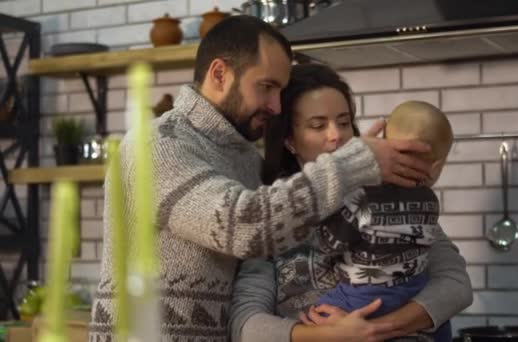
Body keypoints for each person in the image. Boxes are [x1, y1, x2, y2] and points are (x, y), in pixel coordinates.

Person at [89, 15, 436, 342]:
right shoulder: (157, 145)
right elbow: (242, 226)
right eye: (266, 87)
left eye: (280, 91)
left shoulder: (246, 160)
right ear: (220, 73)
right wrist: (358, 160)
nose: (276, 106)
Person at [229, 64, 472, 342]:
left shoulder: (384, 197)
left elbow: (456, 285)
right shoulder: (273, 213)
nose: (337, 135)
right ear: (289, 141)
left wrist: (372, 329)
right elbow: (245, 325)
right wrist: (329, 336)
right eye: (318, 125)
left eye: (344, 122)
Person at [310, 100, 455, 341]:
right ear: (437, 166)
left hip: (363, 297)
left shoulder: (363, 196)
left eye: (345, 122)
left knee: (314, 316)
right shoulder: (430, 200)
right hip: (414, 289)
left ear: (384, 146)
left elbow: (328, 244)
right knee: (438, 321)